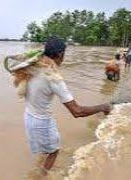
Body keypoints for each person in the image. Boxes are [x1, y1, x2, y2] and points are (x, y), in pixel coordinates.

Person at [21, 37, 111, 175]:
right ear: (60, 55)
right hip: (42, 122)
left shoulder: (32, 67)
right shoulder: (54, 78)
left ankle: (41, 168)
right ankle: (40, 176)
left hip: (29, 117)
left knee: (46, 149)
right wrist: (103, 107)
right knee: (54, 151)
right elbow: (77, 111)